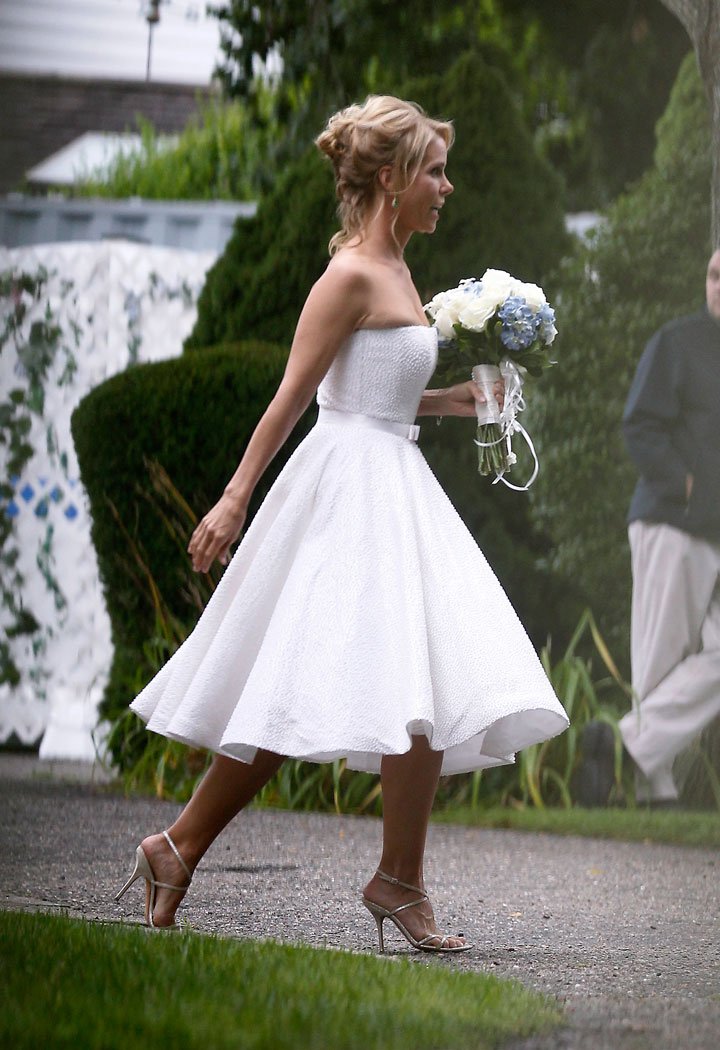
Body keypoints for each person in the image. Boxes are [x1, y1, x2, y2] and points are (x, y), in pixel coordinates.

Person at [114, 96, 569, 952]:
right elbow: (297, 399)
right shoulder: (350, 276)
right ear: (391, 180)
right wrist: (234, 498)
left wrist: (457, 400)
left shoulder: (399, 272)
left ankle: (397, 880)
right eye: (434, 170)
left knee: (423, 681)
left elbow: (381, 396)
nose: (448, 186)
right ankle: (178, 846)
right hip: (345, 499)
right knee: (299, 687)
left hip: (396, 484)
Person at [580, 249, 720, 807]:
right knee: (660, 659)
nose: (718, 286)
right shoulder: (678, 343)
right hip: (674, 524)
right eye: (713, 273)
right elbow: (640, 424)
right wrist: (688, 487)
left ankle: (623, 744)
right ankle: (652, 790)